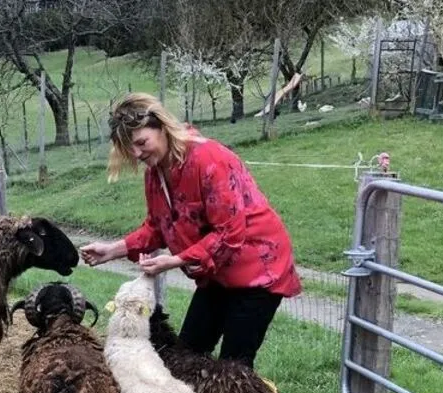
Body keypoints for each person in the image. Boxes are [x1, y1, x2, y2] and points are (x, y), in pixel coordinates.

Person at [80, 92, 302, 370]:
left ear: (161, 127)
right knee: (187, 356)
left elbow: (229, 233)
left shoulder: (209, 159)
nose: (137, 154)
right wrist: (113, 249)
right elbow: (158, 226)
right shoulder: (156, 173)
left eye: (141, 142)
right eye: (130, 149)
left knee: (233, 368)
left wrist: (175, 261)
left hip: (257, 269)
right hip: (216, 275)